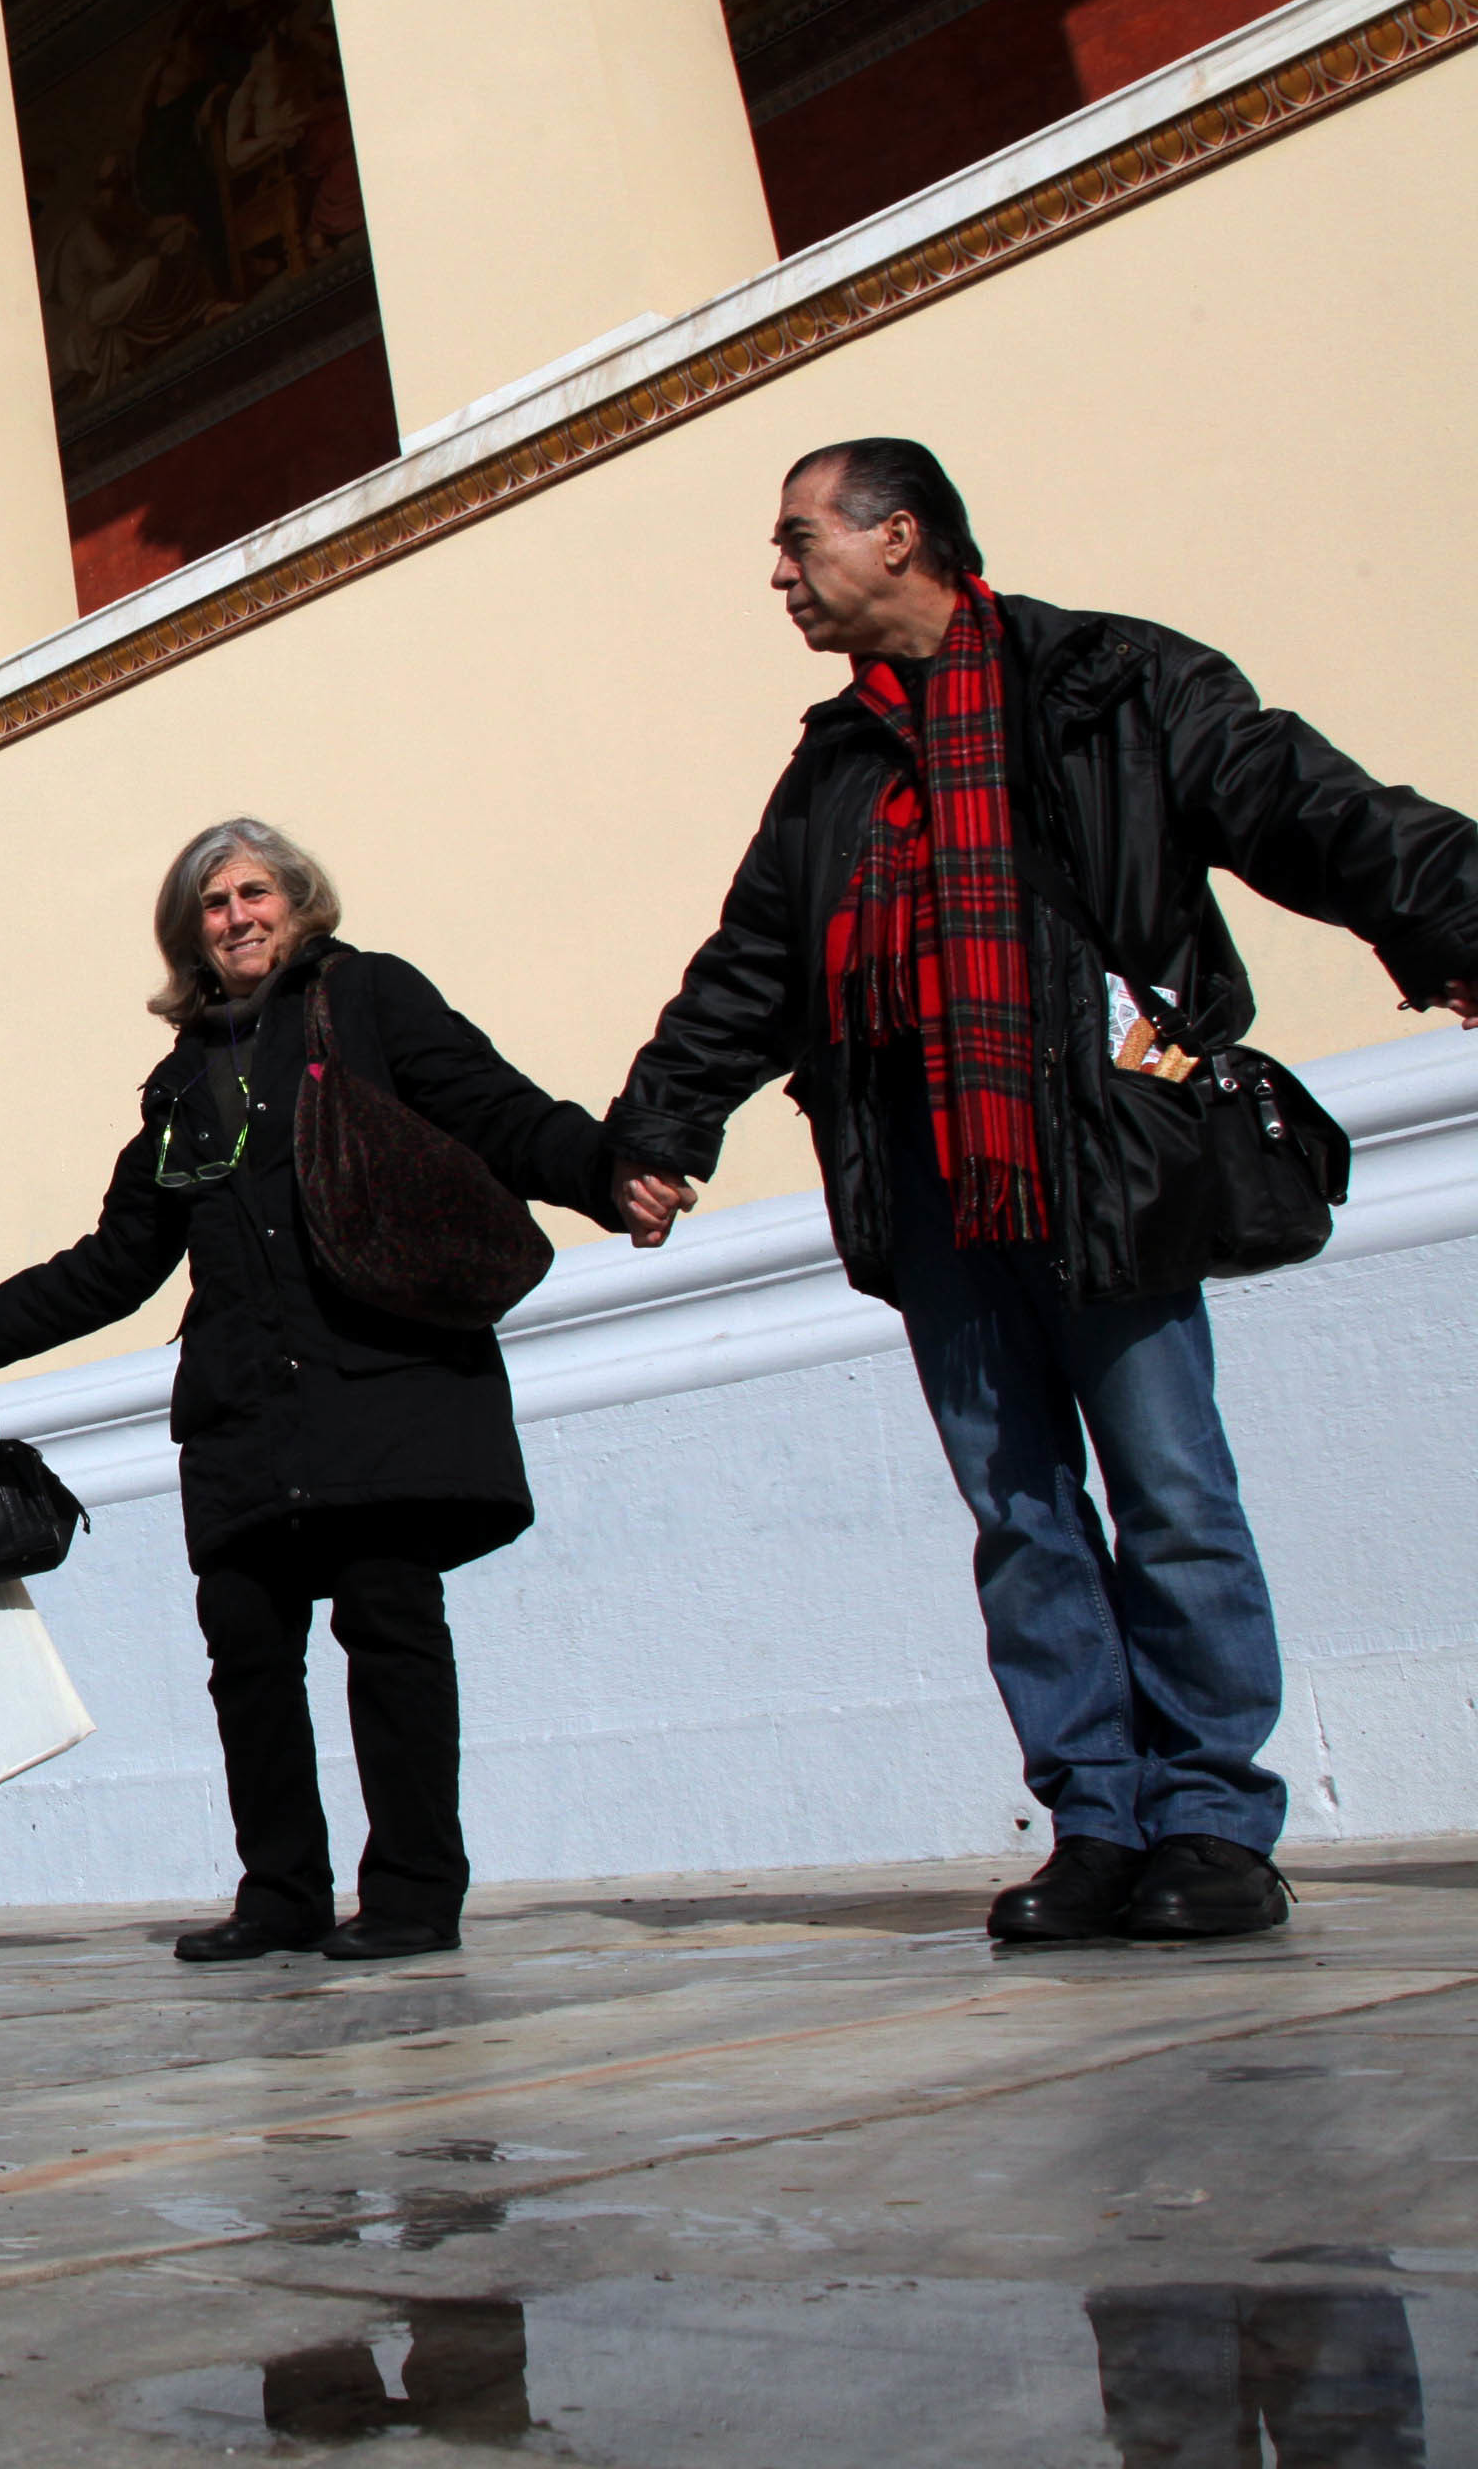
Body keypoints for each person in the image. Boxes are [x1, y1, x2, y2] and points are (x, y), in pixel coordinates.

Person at [610, 438, 1478, 1946]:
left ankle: (1211, 1820)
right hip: (925, 1186)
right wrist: (658, 1130)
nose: (780, 574)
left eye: (800, 537)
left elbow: (1303, 806)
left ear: (902, 538)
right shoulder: (832, 769)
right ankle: (1095, 1818)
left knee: (1173, 1496)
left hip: (1101, 1162)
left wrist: (1462, 918)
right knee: (1020, 1515)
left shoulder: (1108, 684)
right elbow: (751, 969)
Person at [0, 821, 624, 1962]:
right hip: (244, 1405)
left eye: (256, 892)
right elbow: (118, 1258)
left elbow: (496, 1112)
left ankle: (410, 1891)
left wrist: (607, 1173)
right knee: (248, 1650)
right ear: (188, 933)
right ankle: (281, 1892)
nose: (239, 914)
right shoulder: (182, 1080)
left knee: (389, 1623)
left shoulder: (371, 1001)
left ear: (299, 903)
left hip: (376, 1382)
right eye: (213, 902)